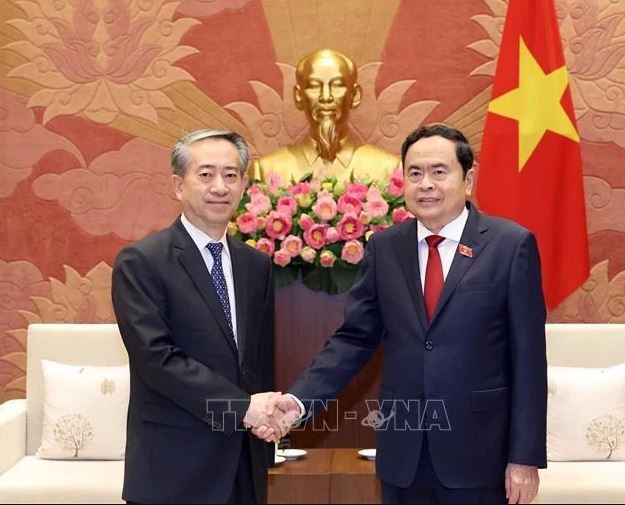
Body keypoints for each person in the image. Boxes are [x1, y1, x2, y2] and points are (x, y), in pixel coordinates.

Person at [266, 124, 548, 504]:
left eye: (438, 171)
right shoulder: (386, 248)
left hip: (480, 452)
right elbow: (354, 339)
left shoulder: (510, 245)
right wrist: (300, 401)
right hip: (404, 455)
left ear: (468, 179)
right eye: (415, 173)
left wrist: (524, 459)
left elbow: (529, 361)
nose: (425, 184)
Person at [112, 129, 283, 504]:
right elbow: (156, 359)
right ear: (178, 185)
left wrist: (268, 427)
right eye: (205, 175)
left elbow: (258, 359)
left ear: (243, 185)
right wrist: (243, 409)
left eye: (231, 175)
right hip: (174, 465)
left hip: (243, 462)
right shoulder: (142, 262)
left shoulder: (256, 265)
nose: (219, 186)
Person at [251, 48, 400, 184]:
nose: (326, 96)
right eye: (314, 86)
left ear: (354, 95)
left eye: (337, 85)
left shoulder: (389, 169)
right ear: (298, 96)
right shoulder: (265, 171)